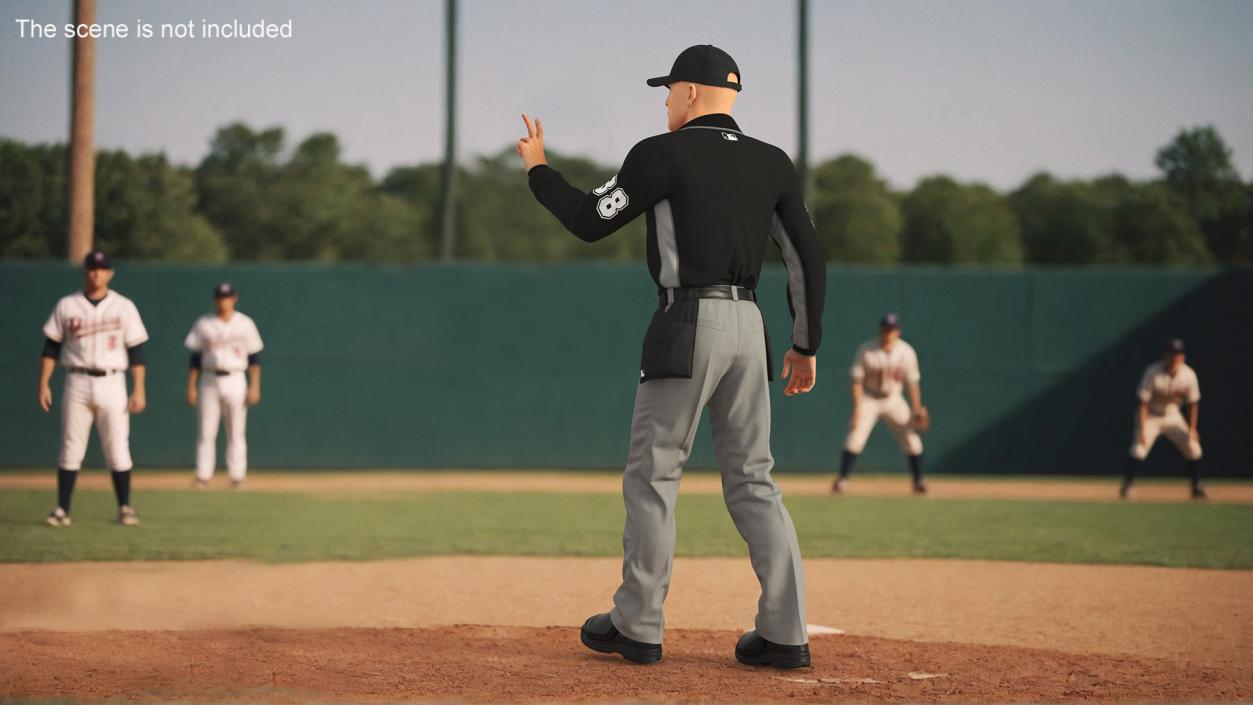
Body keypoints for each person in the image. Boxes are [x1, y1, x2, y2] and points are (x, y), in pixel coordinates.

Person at [517, 44, 826, 669]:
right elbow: (807, 257)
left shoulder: (659, 155)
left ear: (690, 93)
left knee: (654, 476)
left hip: (687, 319)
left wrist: (539, 171)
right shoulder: (774, 162)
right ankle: (786, 633)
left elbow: (588, 218)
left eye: (668, 91)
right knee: (755, 481)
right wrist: (805, 343)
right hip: (752, 326)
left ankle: (637, 624)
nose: (664, 101)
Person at [38, 250, 148, 526]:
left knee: (118, 447)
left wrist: (139, 389)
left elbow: (137, 352)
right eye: (92, 268)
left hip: (113, 381)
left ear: (110, 273)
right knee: (70, 447)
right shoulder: (67, 305)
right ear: (85, 272)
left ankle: (125, 507)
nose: (96, 273)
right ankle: (62, 509)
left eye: (102, 268)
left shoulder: (124, 306)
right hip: (77, 379)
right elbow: (51, 346)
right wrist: (44, 383)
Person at [833, 313, 928, 494]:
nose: (888, 333)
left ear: (898, 331)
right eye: (885, 328)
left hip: (894, 399)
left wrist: (916, 408)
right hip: (870, 398)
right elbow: (857, 382)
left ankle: (919, 481)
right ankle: (842, 480)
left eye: (892, 329)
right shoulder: (866, 350)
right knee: (855, 438)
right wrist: (857, 410)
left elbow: (912, 383)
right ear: (880, 330)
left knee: (912, 439)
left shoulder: (906, 352)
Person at [185, 282, 264, 489]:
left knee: (236, 431)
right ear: (215, 299)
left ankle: (237, 476)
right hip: (209, 379)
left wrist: (255, 386)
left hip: (236, 378)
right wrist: (191, 386)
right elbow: (195, 358)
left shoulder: (245, 323)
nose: (224, 300)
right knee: (206, 431)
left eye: (227, 297)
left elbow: (254, 358)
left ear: (234, 298)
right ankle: (203, 475)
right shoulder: (204, 323)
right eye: (221, 297)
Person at [1121, 339, 1204, 499]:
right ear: (1165, 355)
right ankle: (1128, 485)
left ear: (1183, 357)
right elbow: (1143, 402)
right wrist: (1142, 428)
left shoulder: (1188, 375)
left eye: (1177, 354)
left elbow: (1193, 403)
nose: (1174, 357)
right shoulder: (1153, 372)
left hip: (1173, 416)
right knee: (1139, 448)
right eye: (1171, 353)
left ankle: (1197, 486)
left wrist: (1193, 428)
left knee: (1193, 447)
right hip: (1151, 416)